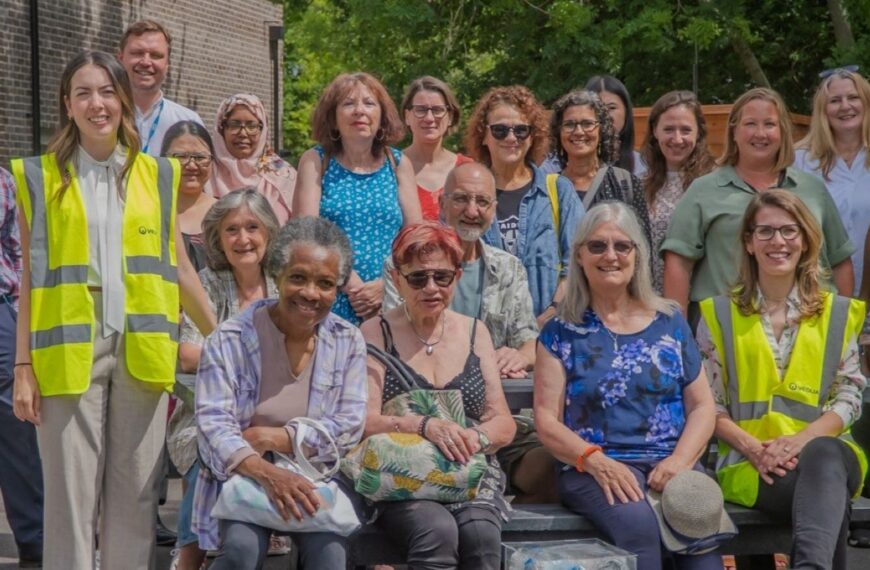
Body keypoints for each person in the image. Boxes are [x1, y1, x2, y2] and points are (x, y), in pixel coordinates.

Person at [9, 50, 215, 570]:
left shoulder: (160, 174)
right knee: (70, 499)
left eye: (106, 92)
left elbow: (179, 268)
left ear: (123, 102)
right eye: (83, 93)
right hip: (67, 350)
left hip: (142, 347)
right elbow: (31, 279)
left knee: (137, 496)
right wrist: (22, 366)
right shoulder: (36, 177)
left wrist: (228, 334)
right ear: (68, 104)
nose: (96, 103)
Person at [534, 201, 722, 570]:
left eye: (622, 246)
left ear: (638, 254)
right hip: (595, 466)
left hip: (671, 462)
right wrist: (595, 461)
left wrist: (680, 461)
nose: (611, 256)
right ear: (580, 256)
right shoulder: (560, 331)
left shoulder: (670, 321)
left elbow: (702, 406)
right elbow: (547, 420)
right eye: (598, 246)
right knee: (638, 525)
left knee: (699, 542)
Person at [697, 189, 867, 570]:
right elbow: (709, 403)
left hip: (827, 454)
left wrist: (798, 442)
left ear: (805, 240)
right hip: (752, 464)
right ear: (749, 242)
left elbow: (850, 396)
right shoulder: (717, 314)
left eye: (790, 231)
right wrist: (756, 449)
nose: (778, 242)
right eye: (766, 232)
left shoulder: (837, 312)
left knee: (823, 456)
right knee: (827, 499)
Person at [194, 216, 367, 570]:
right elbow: (213, 424)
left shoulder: (347, 340)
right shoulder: (230, 339)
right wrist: (266, 471)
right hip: (245, 475)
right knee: (242, 551)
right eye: (299, 278)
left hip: (316, 479)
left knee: (330, 557)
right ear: (277, 275)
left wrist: (279, 437)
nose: (310, 293)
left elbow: (349, 424)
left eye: (325, 283)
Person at [361, 221, 516, 570]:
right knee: (437, 531)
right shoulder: (375, 332)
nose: (431, 287)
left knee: (481, 535)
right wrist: (423, 426)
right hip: (403, 475)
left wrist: (473, 437)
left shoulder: (476, 332)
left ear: (457, 277)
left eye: (442, 277)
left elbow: (504, 422)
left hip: (467, 471)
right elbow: (363, 420)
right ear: (398, 279)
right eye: (418, 278)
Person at [662, 87, 854, 323]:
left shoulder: (813, 189)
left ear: (783, 131)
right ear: (734, 131)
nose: (760, 133)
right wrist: (678, 335)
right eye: (751, 124)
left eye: (770, 124)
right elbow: (678, 263)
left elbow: (839, 260)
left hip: (809, 326)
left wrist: (842, 327)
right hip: (726, 329)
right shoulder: (703, 191)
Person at [168, 189, 280, 570]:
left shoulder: (286, 282)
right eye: (232, 229)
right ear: (218, 238)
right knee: (210, 450)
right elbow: (186, 352)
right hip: (207, 413)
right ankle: (189, 557)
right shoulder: (208, 282)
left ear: (269, 233)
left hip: (278, 416)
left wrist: (226, 356)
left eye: (252, 227)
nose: (243, 238)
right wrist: (254, 358)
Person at [383, 162, 538, 378]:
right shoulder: (403, 265)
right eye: (461, 199)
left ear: (493, 210)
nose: (472, 211)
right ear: (441, 204)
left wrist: (519, 356)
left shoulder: (509, 268)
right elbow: (392, 336)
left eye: (482, 201)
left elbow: (528, 339)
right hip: (422, 390)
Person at [293, 72, 422, 324]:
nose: (359, 111)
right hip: (329, 297)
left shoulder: (398, 163)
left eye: (369, 103)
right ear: (333, 117)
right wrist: (349, 282)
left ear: (382, 116)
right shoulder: (316, 161)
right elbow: (306, 233)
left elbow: (415, 239)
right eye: (348, 103)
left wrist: (385, 284)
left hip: (391, 299)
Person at [464, 85, 584, 322]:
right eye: (500, 130)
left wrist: (552, 313)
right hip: (481, 335)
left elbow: (578, 262)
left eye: (521, 130)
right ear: (484, 135)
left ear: (533, 136)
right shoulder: (466, 193)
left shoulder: (558, 191)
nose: (511, 138)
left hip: (549, 330)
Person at [0, 167, 43, 569]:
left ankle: (35, 536)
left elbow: (17, 249)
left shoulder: (3, 181)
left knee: (15, 426)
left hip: (1, 311)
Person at [796, 68, 870, 296]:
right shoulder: (799, 161)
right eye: (835, 100)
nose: (845, 106)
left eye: (853, 97)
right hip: (817, 291)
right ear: (823, 110)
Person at [548, 89, 651, 247]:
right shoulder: (547, 187)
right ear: (558, 132)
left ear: (602, 130)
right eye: (569, 124)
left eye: (587, 124)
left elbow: (643, 248)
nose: (579, 132)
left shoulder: (625, 184)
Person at [640, 91, 716, 293]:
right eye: (669, 129)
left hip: (701, 303)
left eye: (685, 130)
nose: (677, 138)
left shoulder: (716, 183)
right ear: (655, 131)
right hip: (650, 302)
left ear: (698, 132)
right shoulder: (639, 187)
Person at [207, 93, 297, 225]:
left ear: (263, 130)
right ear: (221, 129)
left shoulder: (284, 176)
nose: (243, 133)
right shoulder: (206, 174)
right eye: (234, 125)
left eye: (252, 126)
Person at [117, 20, 204, 156]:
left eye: (156, 55)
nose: (146, 62)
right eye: (137, 53)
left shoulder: (188, 121)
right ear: (121, 58)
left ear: (167, 64)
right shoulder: (100, 116)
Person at [401, 76, 474, 220]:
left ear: (451, 117)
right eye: (420, 110)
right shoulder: (391, 167)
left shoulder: (467, 169)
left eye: (437, 110)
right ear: (407, 116)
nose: (429, 118)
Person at [161, 120, 217, 271]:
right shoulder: (149, 210)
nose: (191, 165)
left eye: (200, 157)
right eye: (180, 156)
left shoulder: (226, 213)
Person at [585, 75, 646, 177]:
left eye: (612, 108)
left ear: (626, 111)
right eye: (597, 108)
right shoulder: (556, 166)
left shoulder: (644, 167)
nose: (605, 115)